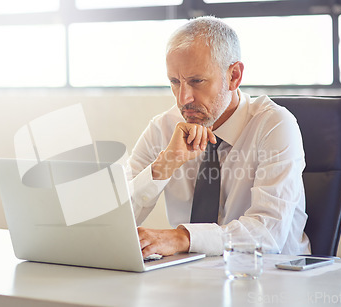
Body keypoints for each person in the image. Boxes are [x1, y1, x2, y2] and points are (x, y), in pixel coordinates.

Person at [127, 16, 310, 257]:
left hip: (271, 277)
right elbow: (115, 222)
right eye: (174, 82)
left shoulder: (275, 125)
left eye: (196, 81)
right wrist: (164, 165)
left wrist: (183, 237)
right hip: (192, 277)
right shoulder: (163, 127)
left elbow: (268, 232)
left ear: (234, 76)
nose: (183, 99)